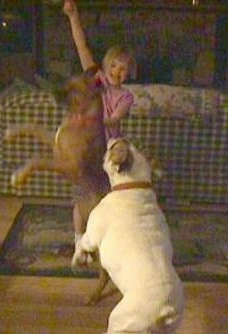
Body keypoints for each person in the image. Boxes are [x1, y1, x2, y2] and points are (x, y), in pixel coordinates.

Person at [63, 0, 137, 261]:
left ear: (129, 73)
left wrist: (96, 120)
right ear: (106, 65)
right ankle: (78, 243)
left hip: (108, 155)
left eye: (124, 68)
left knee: (107, 200)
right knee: (82, 195)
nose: (118, 71)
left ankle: (103, 243)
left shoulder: (126, 97)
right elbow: (82, 46)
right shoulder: (97, 80)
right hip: (89, 150)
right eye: (115, 65)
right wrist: (73, 17)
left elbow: (115, 118)